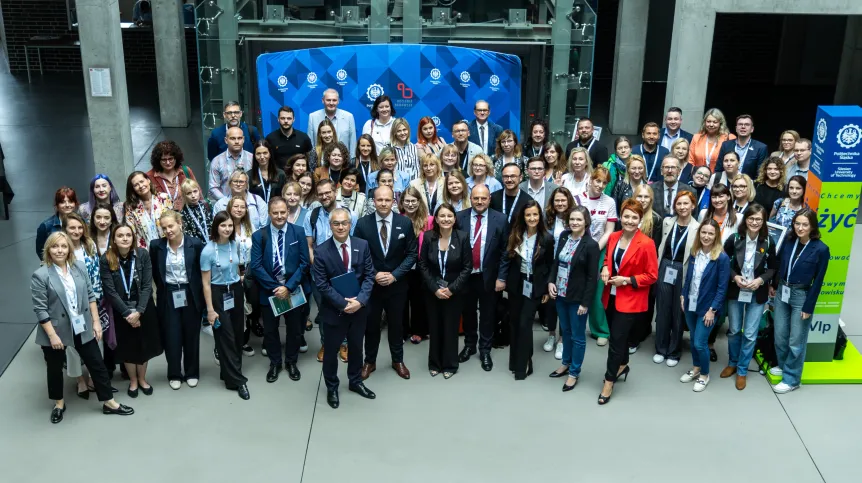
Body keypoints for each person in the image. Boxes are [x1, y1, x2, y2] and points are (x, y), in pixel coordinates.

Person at [32, 232, 134, 423]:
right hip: (55, 330)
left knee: (97, 363)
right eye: (55, 246)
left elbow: (90, 295)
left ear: (69, 248)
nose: (60, 250)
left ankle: (109, 402)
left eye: (63, 246)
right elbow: (41, 310)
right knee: (54, 369)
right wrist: (53, 336)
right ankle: (59, 403)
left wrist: (96, 322)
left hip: (82, 325)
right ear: (48, 249)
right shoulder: (40, 275)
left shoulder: (78, 267)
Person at [312, 208, 376, 408]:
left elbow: (369, 275)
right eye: (336, 223)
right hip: (334, 311)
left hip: (359, 310)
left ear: (350, 224)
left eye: (344, 223)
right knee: (331, 352)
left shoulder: (362, 245)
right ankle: (332, 387)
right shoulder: (321, 251)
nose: (341, 227)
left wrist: (360, 301)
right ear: (330, 226)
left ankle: (355, 381)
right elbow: (322, 285)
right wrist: (343, 304)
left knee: (357, 347)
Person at [353, 186, 418, 381]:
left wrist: (394, 275)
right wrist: (373, 274)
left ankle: (397, 360)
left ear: (393, 202)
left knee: (396, 325)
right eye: (379, 200)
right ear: (373, 201)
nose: (383, 203)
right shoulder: (363, 224)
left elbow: (412, 254)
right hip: (371, 286)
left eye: (387, 200)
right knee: (371, 325)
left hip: (396, 285)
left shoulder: (404, 223)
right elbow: (358, 254)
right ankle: (369, 361)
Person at [598, 199, 658, 404]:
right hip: (610, 296)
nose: (630, 221)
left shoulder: (647, 244)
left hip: (630, 299)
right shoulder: (614, 237)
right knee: (618, 338)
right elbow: (608, 259)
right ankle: (623, 364)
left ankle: (608, 381)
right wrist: (605, 268)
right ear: (620, 217)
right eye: (626, 216)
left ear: (640, 220)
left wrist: (628, 280)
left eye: (634, 217)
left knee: (615, 341)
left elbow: (651, 276)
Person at [250, 197, 310, 385]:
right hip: (270, 291)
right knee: (270, 330)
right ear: (269, 213)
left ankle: (291, 362)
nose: (279, 216)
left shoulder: (298, 232)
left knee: (294, 330)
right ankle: (275, 363)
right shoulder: (259, 235)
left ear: (287, 212)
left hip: (292, 289)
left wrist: (288, 287)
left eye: (282, 212)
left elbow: (304, 263)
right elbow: (256, 265)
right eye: (275, 213)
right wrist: (276, 288)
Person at [100, 224, 162, 398]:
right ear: (114, 239)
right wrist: (128, 314)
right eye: (120, 235)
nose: (125, 238)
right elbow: (110, 291)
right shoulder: (106, 258)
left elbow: (147, 285)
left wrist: (139, 311)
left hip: (143, 308)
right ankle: (133, 381)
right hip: (122, 312)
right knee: (127, 347)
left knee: (144, 346)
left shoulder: (142, 254)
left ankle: (142, 379)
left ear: (133, 238)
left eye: (128, 235)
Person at [770, 209, 829, 393]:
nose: (800, 228)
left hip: (801, 296)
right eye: (797, 223)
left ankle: (792, 379)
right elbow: (779, 263)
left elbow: (818, 280)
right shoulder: (789, 241)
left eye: (805, 224)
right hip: (782, 291)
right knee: (780, 334)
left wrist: (809, 306)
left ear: (812, 226)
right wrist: (773, 284)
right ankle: (783, 364)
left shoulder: (821, 249)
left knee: (796, 339)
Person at [721, 203, 777, 390]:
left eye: (758, 220)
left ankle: (742, 371)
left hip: (757, 292)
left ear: (763, 222)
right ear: (746, 220)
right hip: (736, 290)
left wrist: (761, 280)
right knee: (735, 330)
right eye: (751, 219)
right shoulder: (734, 239)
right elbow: (723, 263)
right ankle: (733, 363)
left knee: (751, 334)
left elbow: (773, 268)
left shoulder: (769, 242)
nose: (754, 222)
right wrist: (734, 276)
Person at [455, 184, 509, 371]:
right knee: (468, 312)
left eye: (483, 198)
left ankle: (485, 350)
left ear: (489, 199)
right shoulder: (460, 217)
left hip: (489, 276)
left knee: (487, 314)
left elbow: (505, 251)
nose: (479, 201)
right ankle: (469, 345)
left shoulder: (500, 219)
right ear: (470, 198)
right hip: (465, 276)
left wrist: (502, 277)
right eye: (476, 198)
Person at [149, 211, 204, 390]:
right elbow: (157, 274)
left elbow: (199, 271)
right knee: (171, 335)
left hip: (190, 293)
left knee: (191, 334)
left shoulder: (194, 244)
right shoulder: (156, 246)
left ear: (180, 223)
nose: (168, 231)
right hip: (169, 294)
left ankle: (192, 372)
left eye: (171, 226)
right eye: (164, 228)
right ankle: (174, 373)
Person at [305, 180, 358, 362]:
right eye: (320, 194)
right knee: (324, 312)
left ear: (335, 191)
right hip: (319, 275)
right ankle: (327, 344)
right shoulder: (311, 216)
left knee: (345, 309)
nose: (324, 196)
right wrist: (319, 267)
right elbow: (309, 246)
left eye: (327, 192)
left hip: (343, 274)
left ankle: (344, 344)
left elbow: (355, 244)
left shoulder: (350, 214)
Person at [547, 206, 599, 391]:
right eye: (572, 219)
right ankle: (565, 363)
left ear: (586, 222)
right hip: (560, 293)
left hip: (578, 298)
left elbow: (593, 278)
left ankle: (574, 372)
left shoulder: (591, 245)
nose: (575, 223)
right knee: (565, 332)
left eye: (579, 220)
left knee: (578, 337)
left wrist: (585, 303)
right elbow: (555, 262)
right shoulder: (563, 237)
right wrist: (551, 282)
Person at [418, 203, 472, 379]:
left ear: (454, 218)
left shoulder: (462, 237)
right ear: (436, 219)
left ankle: (450, 364)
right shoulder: (427, 237)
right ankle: (434, 363)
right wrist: (435, 288)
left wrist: (451, 289)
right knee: (434, 327)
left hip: (454, 293)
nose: (446, 219)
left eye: (449, 216)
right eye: (442, 216)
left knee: (450, 328)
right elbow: (423, 265)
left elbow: (467, 267)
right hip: (432, 292)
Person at [201, 211, 249, 399]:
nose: (227, 229)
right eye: (223, 225)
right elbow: (205, 283)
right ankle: (238, 381)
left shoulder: (233, 244)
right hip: (218, 293)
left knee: (238, 334)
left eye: (230, 225)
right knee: (226, 336)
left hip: (235, 290)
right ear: (216, 227)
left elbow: (236, 267)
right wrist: (210, 310)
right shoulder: (207, 251)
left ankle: (228, 373)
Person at [679, 219, 730, 392]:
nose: (706, 236)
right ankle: (696, 368)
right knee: (693, 339)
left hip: (708, 309)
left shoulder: (721, 258)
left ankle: (704, 375)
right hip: (691, 303)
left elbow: (723, 288)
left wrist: (712, 310)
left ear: (716, 236)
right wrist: (683, 296)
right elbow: (689, 278)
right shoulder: (695, 252)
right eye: (703, 232)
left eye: (710, 233)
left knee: (701, 342)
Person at [505, 200, 554, 380]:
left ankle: (523, 364)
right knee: (515, 322)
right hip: (516, 284)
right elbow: (508, 258)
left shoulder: (547, 238)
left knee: (526, 324)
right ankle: (518, 360)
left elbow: (550, 265)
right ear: (523, 217)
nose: (532, 218)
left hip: (535, 286)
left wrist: (547, 290)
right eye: (528, 215)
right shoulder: (516, 235)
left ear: (539, 216)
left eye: (535, 214)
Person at [653, 191, 699, 366]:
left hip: (683, 270)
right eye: (679, 204)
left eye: (686, 203)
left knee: (678, 312)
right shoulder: (667, 222)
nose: (682, 207)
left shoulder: (697, 227)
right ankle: (660, 348)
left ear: (693, 206)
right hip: (665, 266)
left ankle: (673, 352)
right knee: (663, 309)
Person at [574, 166, 618, 347]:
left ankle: (600, 330)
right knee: (577, 289)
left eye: (604, 183)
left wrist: (593, 249)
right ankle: (575, 328)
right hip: (577, 249)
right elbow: (573, 224)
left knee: (598, 292)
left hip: (599, 251)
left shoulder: (609, 202)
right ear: (590, 180)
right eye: (598, 181)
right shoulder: (577, 198)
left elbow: (609, 232)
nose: (600, 185)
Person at [62, 213, 104, 396]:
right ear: (65, 229)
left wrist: (96, 297)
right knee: (72, 345)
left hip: (91, 299)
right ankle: (79, 380)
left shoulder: (90, 245)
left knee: (95, 338)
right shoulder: (60, 247)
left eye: (80, 227)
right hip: (70, 304)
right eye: (72, 227)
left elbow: (96, 273)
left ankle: (92, 376)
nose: (76, 231)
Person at [542, 186, 577, 357]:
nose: (560, 203)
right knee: (550, 303)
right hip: (549, 266)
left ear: (569, 201)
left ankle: (563, 340)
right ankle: (551, 335)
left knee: (564, 303)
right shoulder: (548, 218)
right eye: (557, 200)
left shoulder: (574, 219)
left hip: (567, 268)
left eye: (563, 200)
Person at [228, 196, 264, 355]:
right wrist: (237, 274)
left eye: (242, 207)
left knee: (252, 303)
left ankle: (248, 333)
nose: (239, 210)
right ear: (229, 208)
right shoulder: (225, 226)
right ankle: (237, 343)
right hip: (231, 272)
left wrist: (248, 273)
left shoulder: (251, 227)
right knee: (236, 309)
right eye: (235, 206)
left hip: (251, 271)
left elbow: (258, 250)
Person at [400, 187, 434, 345]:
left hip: (421, 267)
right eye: (407, 201)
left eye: (414, 201)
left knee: (419, 299)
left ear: (419, 202)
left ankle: (419, 331)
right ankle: (402, 330)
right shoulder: (397, 219)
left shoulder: (428, 221)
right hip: (402, 266)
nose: (410, 204)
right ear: (402, 203)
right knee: (402, 300)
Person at [124, 172, 170, 249]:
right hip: (144, 252)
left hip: (167, 247)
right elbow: (132, 232)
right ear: (133, 189)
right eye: (136, 185)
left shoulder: (164, 198)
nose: (141, 186)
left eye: (142, 181)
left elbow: (172, 222)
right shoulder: (130, 207)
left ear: (148, 180)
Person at [147, 141, 196, 211]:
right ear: (158, 160)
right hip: (163, 218)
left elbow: (198, 194)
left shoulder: (185, 171)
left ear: (176, 158)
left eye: (170, 159)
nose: (168, 162)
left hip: (188, 216)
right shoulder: (149, 177)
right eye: (164, 160)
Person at [308, 89, 357, 158]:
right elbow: (311, 143)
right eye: (328, 100)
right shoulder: (313, 117)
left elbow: (352, 142)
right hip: (320, 162)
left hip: (343, 162)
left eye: (334, 100)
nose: (331, 103)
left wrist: (352, 160)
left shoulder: (349, 117)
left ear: (338, 101)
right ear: (323, 100)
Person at [716, 115, 769, 179]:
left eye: (747, 124)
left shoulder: (761, 148)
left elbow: (761, 174)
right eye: (740, 124)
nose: (743, 127)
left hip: (748, 186)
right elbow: (719, 169)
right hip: (726, 185)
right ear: (736, 128)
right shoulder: (726, 145)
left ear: (752, 129)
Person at [209, 126, 254, 201]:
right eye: (233, 138)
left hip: (248, 203)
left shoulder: (252, 159)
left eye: (239, 138)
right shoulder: (217, 161)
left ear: (243, 139)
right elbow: (213, 188)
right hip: (225, 205)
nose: (236, 141)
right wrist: (228, 202)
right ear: (226, 140)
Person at [265, 106, 312, 170]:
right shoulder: (270, 138)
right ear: (278, 119)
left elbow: (310, 160)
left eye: (289, 118)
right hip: (278, 178)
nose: (286, 121)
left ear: (293, 119)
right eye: (283, 118)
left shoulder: (304, 137)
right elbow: (267, 161)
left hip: (299, 177)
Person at [37, 187, 79, 259]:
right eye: (63, 202)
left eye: (70, 201)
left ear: (75, 203)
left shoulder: (82, 223)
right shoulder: (46, 226)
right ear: (57, 205)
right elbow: (41, 252)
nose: (67, 205)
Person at [248, 140, 287, 205]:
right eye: (258, 154)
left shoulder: (280, 174)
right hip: (257, 212)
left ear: (270, 154)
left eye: (265, 153)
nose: (262, 157)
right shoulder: (249, 175)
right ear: (254, 156)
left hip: (276, 212)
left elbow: (284, 196)